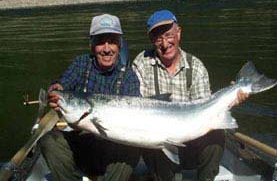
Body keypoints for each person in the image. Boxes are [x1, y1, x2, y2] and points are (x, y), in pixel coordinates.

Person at [132, 9, 249, 181]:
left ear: (178, 33)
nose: (165, 43)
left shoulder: (196, 67)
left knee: (217, 134)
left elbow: (207, 111)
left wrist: (231, 99)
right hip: (160, 147)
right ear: (152, 40)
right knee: (151, 140)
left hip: (192, 142)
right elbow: (136, 108)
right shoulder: (141, 64)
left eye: (169, 35)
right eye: (158, 38)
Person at [39, 14, 140, 181]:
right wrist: (56, 89)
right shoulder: (81, 64)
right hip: (81, 143)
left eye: (112, 41)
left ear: (120, 45)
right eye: (100, 42)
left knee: (133, 149)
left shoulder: (129, 77)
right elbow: (63, 84)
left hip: (112, 148)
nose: (107, 49)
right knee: (49, 141)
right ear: (91, 45)